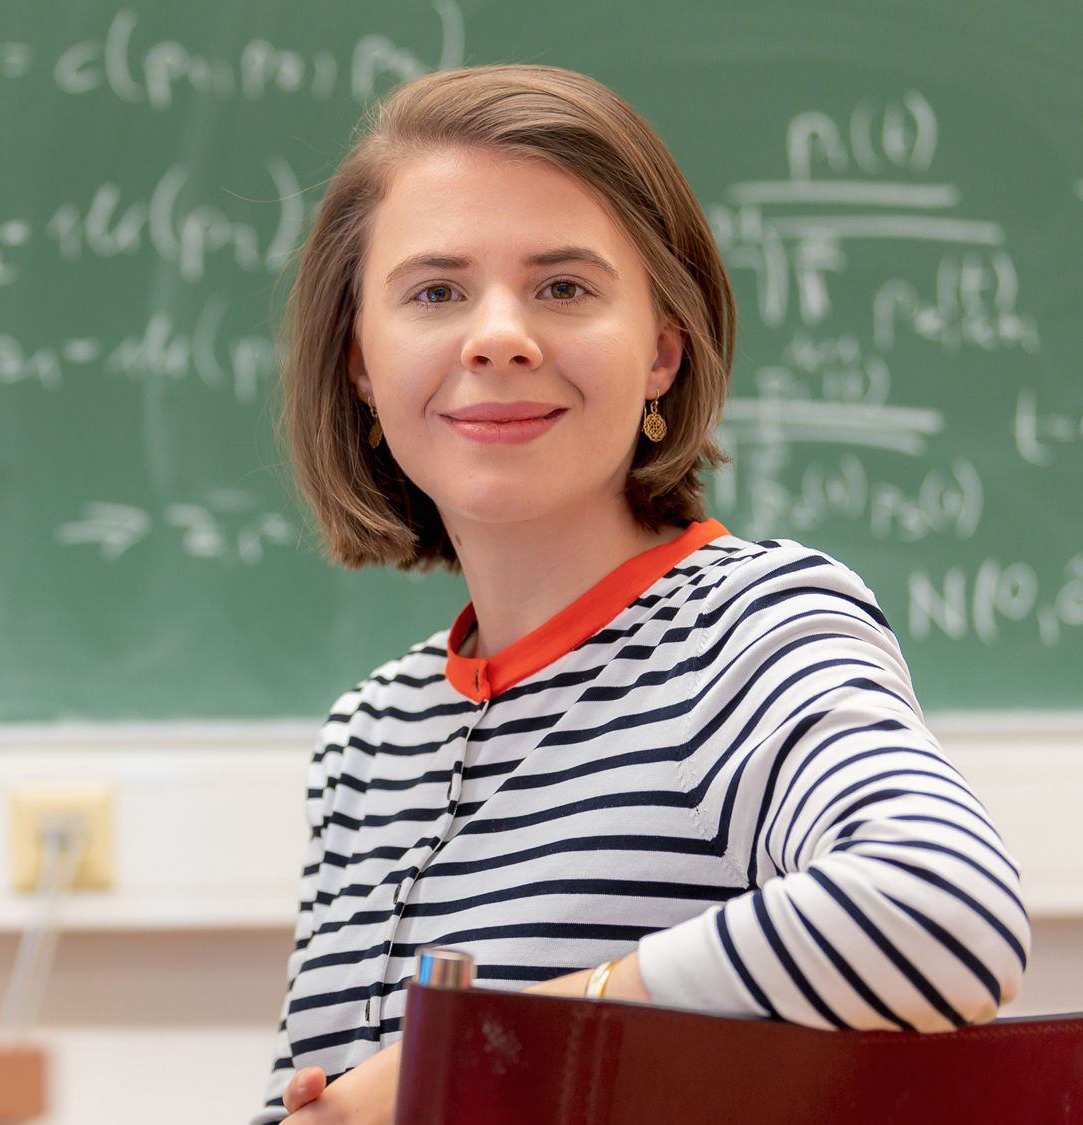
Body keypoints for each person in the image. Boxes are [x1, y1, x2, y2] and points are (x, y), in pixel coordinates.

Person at [257, 65, 1030, 1125]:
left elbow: (944, 914)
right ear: (358, 362)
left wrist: (504, 1049)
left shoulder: (750, 628)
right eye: (434, 292)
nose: (497, 336)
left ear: (662, 351)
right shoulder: (369, 739)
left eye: (562, 288)